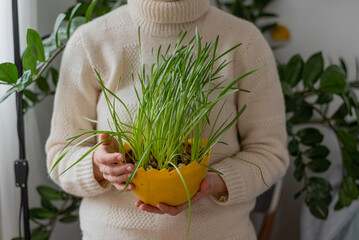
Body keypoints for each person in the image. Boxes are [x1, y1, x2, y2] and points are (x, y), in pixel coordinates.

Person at [46, 0, 289, 239]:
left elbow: (270, 152)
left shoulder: (243, 40)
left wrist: (213, 183)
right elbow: (60, 158)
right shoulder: (91, 40)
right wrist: (99, 167)